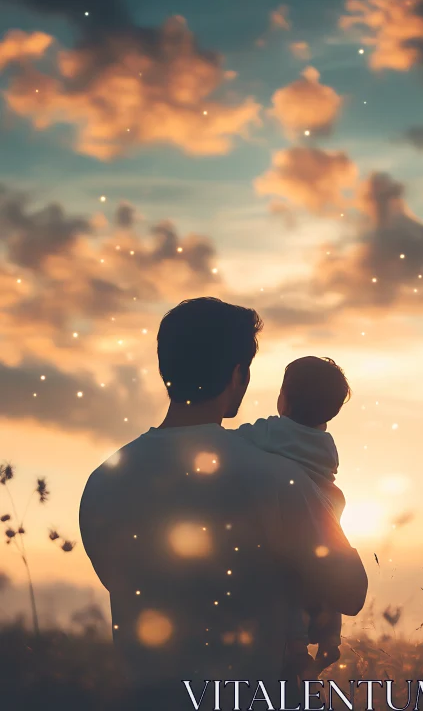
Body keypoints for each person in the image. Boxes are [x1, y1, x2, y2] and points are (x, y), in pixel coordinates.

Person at [80, 298, 367, 710]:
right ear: (238, 374)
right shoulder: (276, 478)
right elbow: (351, 592)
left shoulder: (103, 482)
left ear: (166, 368)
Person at [238, 355, 351, 684]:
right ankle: (330, 639)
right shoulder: (327, 444)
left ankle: (296, 647)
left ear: (283, 400)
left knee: (288, 578)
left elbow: (232, 440)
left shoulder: (272, 432)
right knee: (327, 574)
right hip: (326, 511)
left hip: (292, 513)